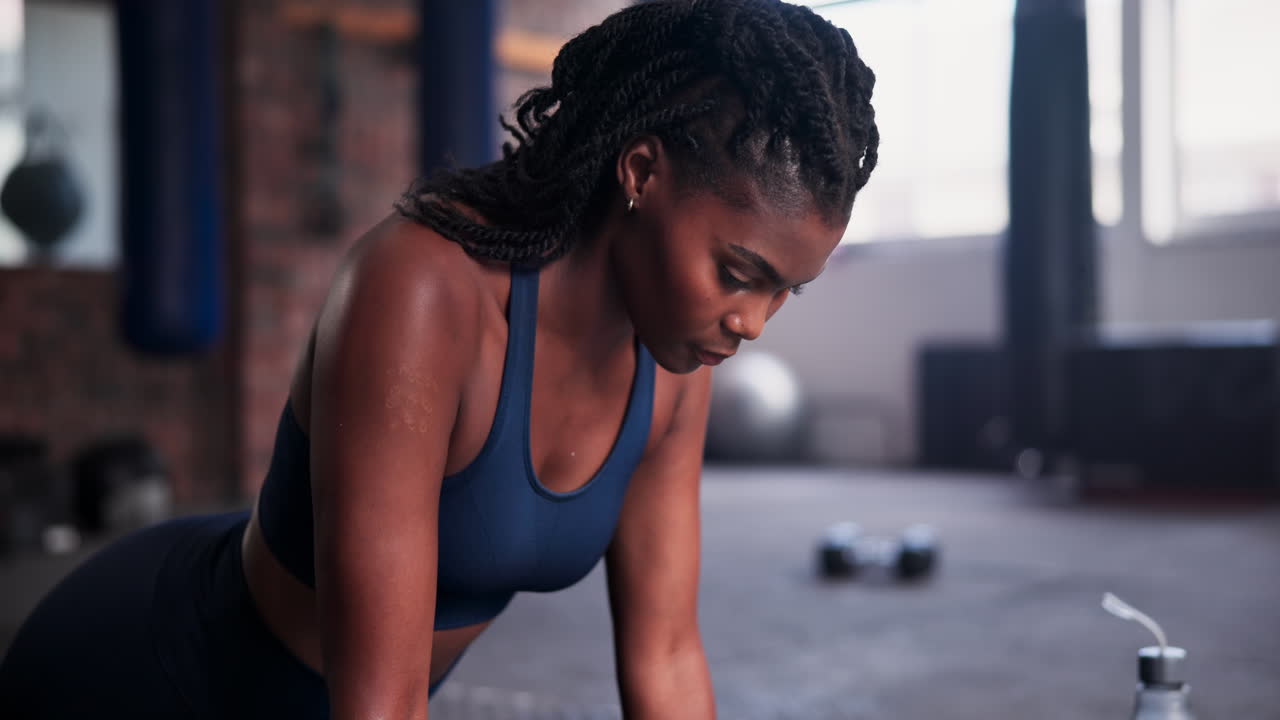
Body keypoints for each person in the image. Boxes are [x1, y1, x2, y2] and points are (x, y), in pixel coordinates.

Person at [0, 0, 878, 717]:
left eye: (784, 292)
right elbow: (379, 705)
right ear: (641, 172)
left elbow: (668, 662)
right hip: (154, 682)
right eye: (738, 274)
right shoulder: (423, 293)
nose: (753, 323)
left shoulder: (673, 372)